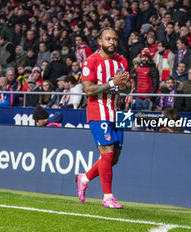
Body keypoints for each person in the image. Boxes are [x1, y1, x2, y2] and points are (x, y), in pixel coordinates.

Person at [76, 27, 131, 209]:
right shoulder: (90, 61)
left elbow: (127, 88)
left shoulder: (122, 61)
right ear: (99, 41)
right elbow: (89, 90)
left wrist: (122, 85)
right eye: (108, 39)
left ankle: (83, 178)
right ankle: (108, 197)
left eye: (114, 39)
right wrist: (113, 83)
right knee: (106, 152)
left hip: (118, 112)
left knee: (113, 159)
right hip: (98, 112)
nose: (112, 42)